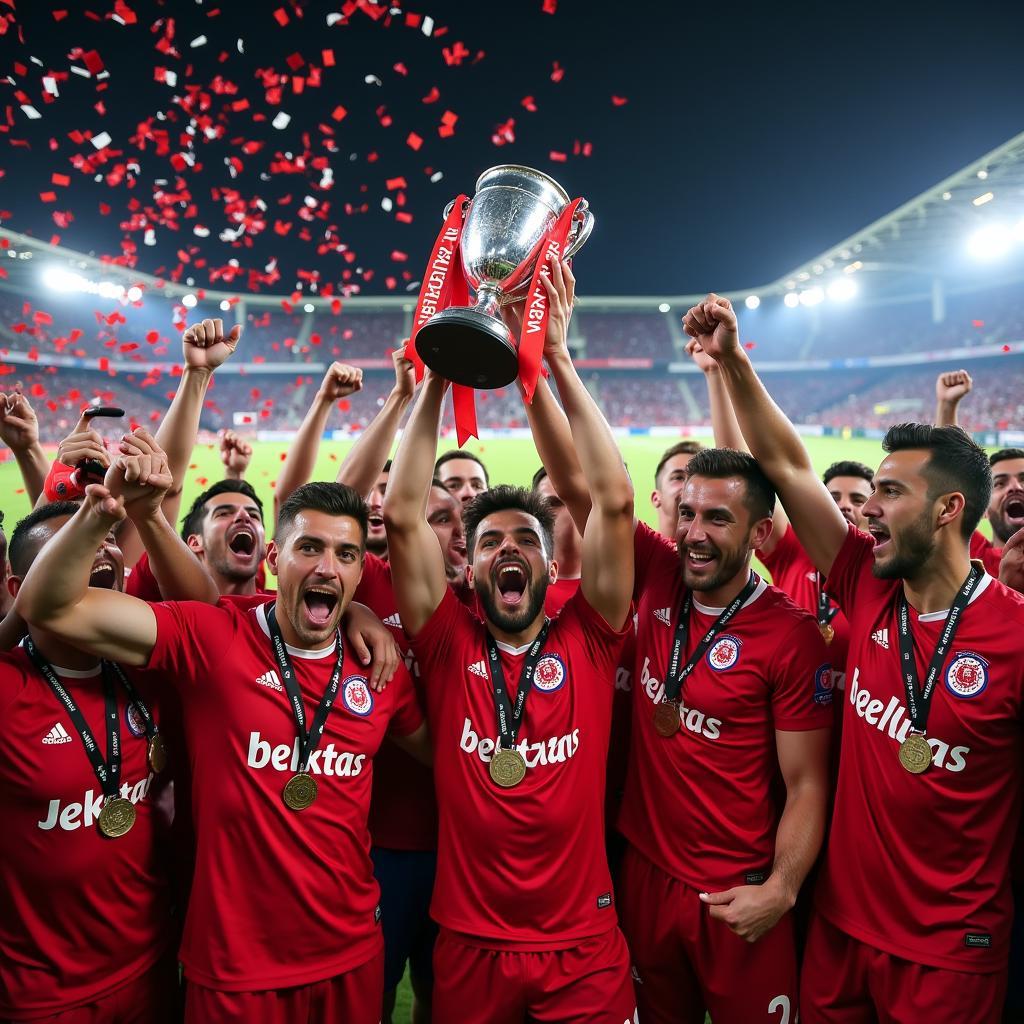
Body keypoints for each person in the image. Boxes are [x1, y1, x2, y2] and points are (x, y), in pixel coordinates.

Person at [688, 292, 1024, 1022]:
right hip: (839, 934)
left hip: (949, 954)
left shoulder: (1017, 637)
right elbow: (784, 464)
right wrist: (735, 361)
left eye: (891, 493)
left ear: (947, 511)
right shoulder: (864, 587)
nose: (869, 508)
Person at [16, 478, 429, 1024]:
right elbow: (49, 605)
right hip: (235, 970)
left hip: (351, 954)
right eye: (311, 548)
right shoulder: (213, 638)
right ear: (276, 558)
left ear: (360, 571)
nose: (328, 567)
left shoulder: (380, 668)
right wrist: (100, 510)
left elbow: (452, 760)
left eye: (346, 554)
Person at [384, 257, 638, 1023]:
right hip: (470, 942)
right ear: (467, 563)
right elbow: (400, 515)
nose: (507, 551)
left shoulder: (589, 632)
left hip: (583, 943)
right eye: (488, 540)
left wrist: (553, 358)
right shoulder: (445, 637)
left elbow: (616, 502)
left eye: (523, 537)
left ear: (549, 555)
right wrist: (439, 369)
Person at [0, 430, 214, 1022]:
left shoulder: (148, 673)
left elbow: (203, 612)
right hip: (44, 994)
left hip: (152, 966)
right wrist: (94, 512)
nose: (102, 559)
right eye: (70, 563)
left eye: (107, 553)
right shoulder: (8, 687)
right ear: (24, 592)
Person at [933, 370, 1024, 575]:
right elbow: (949, 479)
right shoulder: (972, 556)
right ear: (982, 508)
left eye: (1023, 479)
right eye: (999, 483)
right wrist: (947, 406)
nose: (1015, 487)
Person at [531, 466, 582, 615]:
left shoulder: (628, 585)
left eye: (578, 501)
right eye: (553, 504)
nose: (569, 512)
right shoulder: (516, 591)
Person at [651, 440, 704, 539]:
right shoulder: (638, 550)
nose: (689, 485)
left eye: (697, 478)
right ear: (656, 498)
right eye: (679, 477)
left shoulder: (719, 551)